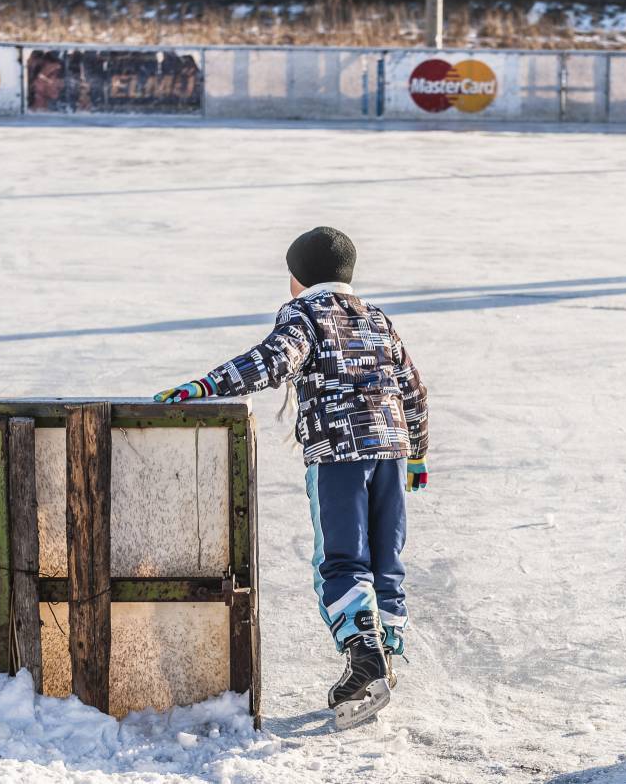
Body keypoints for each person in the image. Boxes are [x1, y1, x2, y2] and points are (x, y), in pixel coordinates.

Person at [153, 227, 429, 729]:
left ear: (296, 280)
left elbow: (274, 361)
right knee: (386, 559)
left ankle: (364, 659)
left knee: (342, 558)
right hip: (391, 450)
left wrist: (207, 385)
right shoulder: (377, 318)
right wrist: (417, 455)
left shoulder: (304, 314)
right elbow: (412, 388)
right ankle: (387, 650)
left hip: (337, 456)